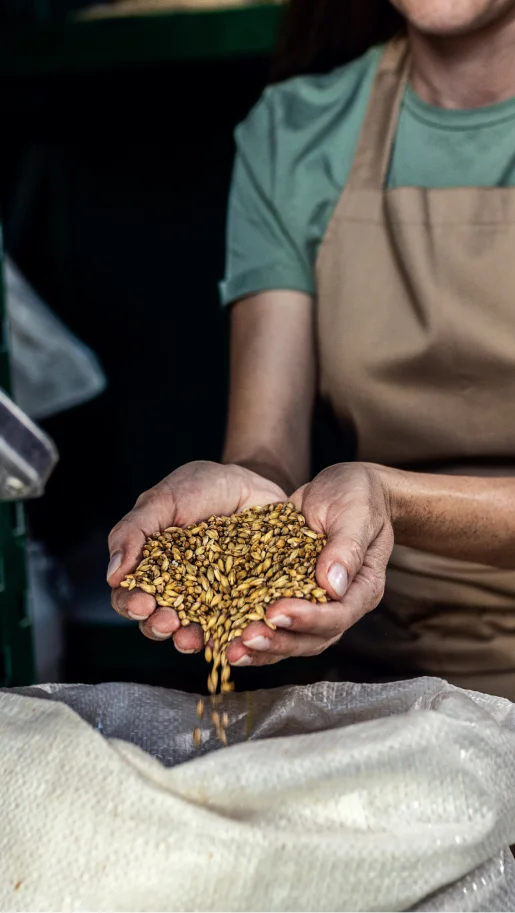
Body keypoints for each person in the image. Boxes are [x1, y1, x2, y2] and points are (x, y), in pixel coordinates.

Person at [108, 0, 515, 700]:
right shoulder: (292, 132)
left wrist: (391, 497)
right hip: (390, 679)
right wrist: (243, 503)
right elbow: (266, 454)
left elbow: (379, 498)